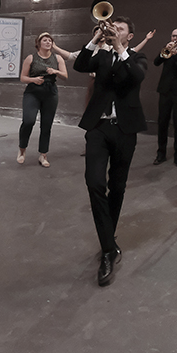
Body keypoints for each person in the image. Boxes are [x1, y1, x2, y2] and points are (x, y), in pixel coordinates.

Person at [73, 14, 148, 287]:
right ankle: (108, 249)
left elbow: (136, 77)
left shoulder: (138, 59)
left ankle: (108, 240)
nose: (114, 30)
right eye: (112, 27)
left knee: (118, 187)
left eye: (120, 29)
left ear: (130, 36)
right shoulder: (101, 57)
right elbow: (81, 64)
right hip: (98, 128)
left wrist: (119, 48)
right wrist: (96, 39)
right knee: (94, 182)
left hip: (125, 130)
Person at [17, 32, 67, 167]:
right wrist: (33, 80)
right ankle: (22, 149)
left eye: (50, 40)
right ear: (38, 43)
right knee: (28, 121)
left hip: (50, 92)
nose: (48, 42)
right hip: (33, 92)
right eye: (45, 40)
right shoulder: (30, 58)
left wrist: (55, 72)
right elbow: (22, 77)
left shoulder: (57, 58)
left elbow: (65, 76)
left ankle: (43, 155)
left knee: (46, 125)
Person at [153, 29, 177, 167]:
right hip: (165, 91)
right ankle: (161, 154)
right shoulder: (167, 50)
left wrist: (175, 54)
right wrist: (163, 52)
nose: (175, 38)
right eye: (173, 35)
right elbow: (156, 62)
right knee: (162, 123)